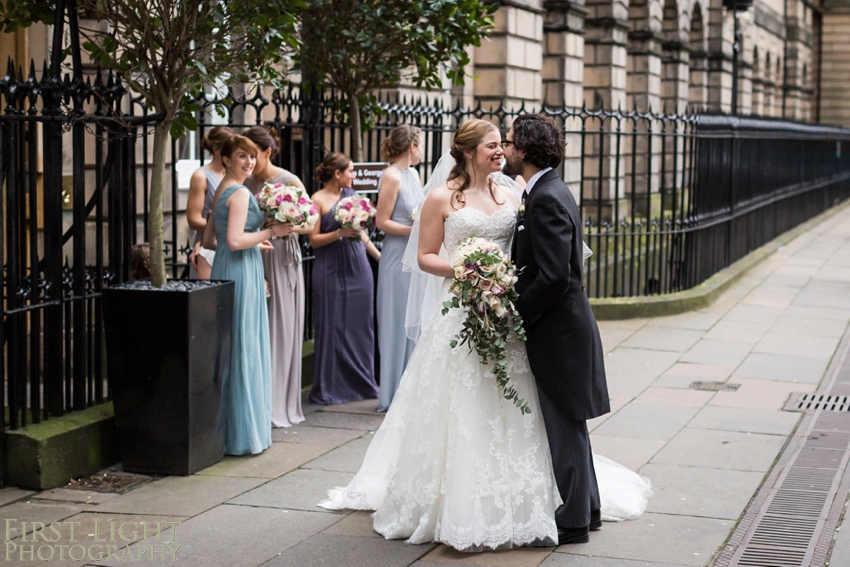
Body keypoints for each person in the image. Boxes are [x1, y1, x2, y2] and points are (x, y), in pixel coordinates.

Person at [319, 120, 652, 551]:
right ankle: (455, 497)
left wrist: (505, 289)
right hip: (461, 310)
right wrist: (468, 271)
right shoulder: (441, 197)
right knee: (460, 403)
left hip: (506, 312)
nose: (500, 151)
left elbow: (535, 256)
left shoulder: (513, 193)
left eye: (504, 144)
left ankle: (525, 496)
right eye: (492, 145)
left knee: (518, 407)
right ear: (469, 151)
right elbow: (424, 257)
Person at [504, 114, 646, 544]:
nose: (506, 149)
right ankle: (589, 509)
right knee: (571, 425)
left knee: (563, 426)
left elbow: (553, 277)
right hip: (564, 328)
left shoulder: (545, 197)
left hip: (558, 332)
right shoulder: (547, 189)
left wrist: (515, 312)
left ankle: (572, 522)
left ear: (525, 150)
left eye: (510, 143)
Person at [203, 135, 292, 455]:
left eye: (252, 157)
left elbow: (214, 240)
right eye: (241, 156)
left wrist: (257, 240)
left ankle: (230, 431)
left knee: (235, 345)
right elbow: (235, 240)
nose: (249, 162)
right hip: (241, 270)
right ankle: (242, 436)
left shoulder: (222, 189)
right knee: (244, 346)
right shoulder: (239, 193)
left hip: (230, 267)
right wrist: (272, 232)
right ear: (225, 159)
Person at [243, 125, 309, 428]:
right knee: (260, 328)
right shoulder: (245, 182)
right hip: (254, 253)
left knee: (281, 327)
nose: (249, 161)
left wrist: (289, 225)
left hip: (283, 257)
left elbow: (311, 221)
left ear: (267, 152)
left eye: (253, 155)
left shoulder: (288, 180)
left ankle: (278, 404)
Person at [308, 152, 381, 406]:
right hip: (328, 267)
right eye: (350, 171)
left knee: (361, 325)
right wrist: (339, 233)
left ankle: (361, 384)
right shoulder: (316, 199)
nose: (354, 175)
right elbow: (313, 241)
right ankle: (331, 386)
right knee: (331, 325)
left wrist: (377, 256)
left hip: (357, 264)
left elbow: (360, 234)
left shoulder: (354, 198)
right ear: (337, 174)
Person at [374, 125, 425, 412]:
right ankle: (392, 394)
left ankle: (411, 391)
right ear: (411, 146)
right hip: (396, 255)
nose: (421, 150)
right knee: (396, 319)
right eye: (420, 145)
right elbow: (382, 222)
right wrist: (415, 230)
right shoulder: (391, 176)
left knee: (413, 318)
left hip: (413, 256)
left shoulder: (414, 175)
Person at [187, 126, 234, 279]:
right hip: (209, 244)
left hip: (231, 243)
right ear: (216, 149)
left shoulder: (233, 174)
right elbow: (193, 219)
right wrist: (222, 227)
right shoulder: (201, 176)